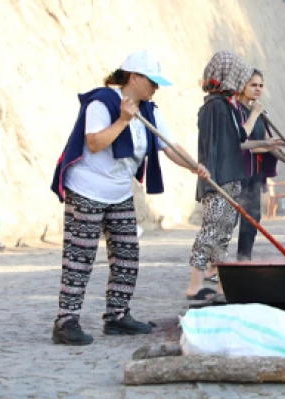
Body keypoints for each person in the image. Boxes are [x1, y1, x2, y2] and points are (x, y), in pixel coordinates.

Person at [49, 50, 210, 345]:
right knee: (80, 255)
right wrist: (123, 120)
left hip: (119, 191)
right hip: (87, 189)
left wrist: (193, 166)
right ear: (134, 78)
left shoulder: (150, 111)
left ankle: (117, 316)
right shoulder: (102, 102)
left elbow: (169, 145)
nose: (156, 88)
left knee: (127, 254)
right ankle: (66, 320)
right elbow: (95, 142)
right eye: (152, 82)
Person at [185, 51, 285, 300]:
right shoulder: (214, 106)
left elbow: (237, 139)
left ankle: (222, 283)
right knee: (211, 229)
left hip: (230, 178)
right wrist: (253, 115)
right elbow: (234, 139)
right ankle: (195, 284)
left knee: (224, 232)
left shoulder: (225, 106)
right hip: (217, 178)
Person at [232, 69, 285, 261]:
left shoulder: (259, 113)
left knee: (253, 217)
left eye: (261, 85)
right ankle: (213, 265)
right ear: (242, 86)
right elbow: (241, 145)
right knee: (229, 219)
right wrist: (256, 115)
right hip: (237, 171)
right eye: (253, 85)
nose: (258, 89)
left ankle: (244, 259)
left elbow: (267, 142)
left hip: (254, 173)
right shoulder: (235, 111)